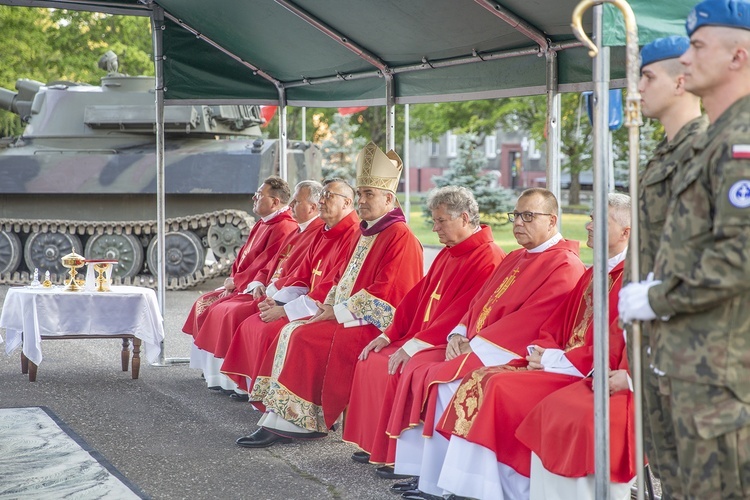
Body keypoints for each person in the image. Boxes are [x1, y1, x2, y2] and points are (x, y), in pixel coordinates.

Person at [619, 1, 750, 497]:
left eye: (697, 46)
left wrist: (658, 298)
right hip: (685, 356)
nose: (688, 58)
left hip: (720, 368)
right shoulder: (719, 138)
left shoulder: (740, 142)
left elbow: (740, 256)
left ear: (738, 56)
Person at [381, 188, 585, 496]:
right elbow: (479, 300)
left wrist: (474, 346)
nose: (518, 223)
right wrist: (459, 333)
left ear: (552, 221)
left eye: (528, 216)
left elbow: (530, 321)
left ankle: (443, 483)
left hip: (513, 352)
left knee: (443, 382)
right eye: (516, 215)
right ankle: (426, 473)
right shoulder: (517, 256)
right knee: (422, 367)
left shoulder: (564, 264)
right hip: (478, 343)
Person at [431, 193, 632, 500]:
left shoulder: (627, 280)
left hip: (581, 372)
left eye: (597, 220)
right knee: (484, 380)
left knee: (495, 386)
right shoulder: (595, 273)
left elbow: (610, 345)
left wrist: (551, 358)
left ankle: (494, 490)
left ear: (625, 233)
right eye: (590, 218)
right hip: (559, 363)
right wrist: (543, 351)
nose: (588, 226)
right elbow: (556, 323)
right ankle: (471, 487)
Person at [236, 141, 424, 448]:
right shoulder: (369, 231)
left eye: (368, 194)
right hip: (347, 315)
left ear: (389, 198)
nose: (361, 201)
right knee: (294, 329)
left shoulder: (400, 236)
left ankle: (300, 420)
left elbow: (390, 291)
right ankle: (283, 417)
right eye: (360, 194)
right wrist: (328, 305)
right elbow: (342, 279)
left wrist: (337, 312)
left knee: (302, 336)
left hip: (375, 325)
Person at [342, 186, 506, 465]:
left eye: (441, 221)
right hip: (426, 335)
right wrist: (389, 334)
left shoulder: (488, 257)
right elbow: (417, 296)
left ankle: (399, 456)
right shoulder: (450, 251)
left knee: (399, 366)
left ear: (465, 219)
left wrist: (414, 345)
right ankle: (376, 444)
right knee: (371, 358)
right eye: (434, 220)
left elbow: (460, 313)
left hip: (451, 341)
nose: (434, 228)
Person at [624, 35, 707, 498]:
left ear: (680, 81)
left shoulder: (706, 151)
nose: (636, 89)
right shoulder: (662, 154)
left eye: (647, 76)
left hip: (690, 343)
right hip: (655, 341)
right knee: (668, 468)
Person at [218, 179, 361, 393]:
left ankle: (281, 405)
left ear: (347, 203)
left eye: (328, 196)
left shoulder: (353, 235)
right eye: (321, 195)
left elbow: (331, 288)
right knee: (256, 322)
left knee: (280, 332)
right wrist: (276, 301)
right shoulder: (326, 232)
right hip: (306, 304)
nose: (321, 201)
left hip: (329, 311)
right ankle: (259, 395)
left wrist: (284, 310)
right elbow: (301, 276)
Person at [189, 181, 326, 391]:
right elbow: (271, 264)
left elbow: (299, 274)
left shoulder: (305, 230)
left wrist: (260, 287)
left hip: (283, 296)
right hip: (267, 289)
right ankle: (217, 375)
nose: (291, 206)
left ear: (313, 208)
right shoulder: (296, 229)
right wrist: (257, 281)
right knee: (216, 306)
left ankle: (238, 382)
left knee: (233, 313)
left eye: (296, 202)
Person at [182, 176, 297, 337]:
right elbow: (244, 256)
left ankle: (221, 360)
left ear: (275, 202)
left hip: (256, 289)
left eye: (259, 194)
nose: (253, 197)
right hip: (244, 283)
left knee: (218, 309)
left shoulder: (284, 226)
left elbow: (266, 263)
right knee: (203, 303)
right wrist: (232, 280)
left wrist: (236, 282)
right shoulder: (264, 222)